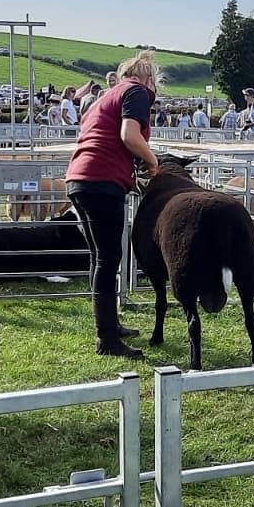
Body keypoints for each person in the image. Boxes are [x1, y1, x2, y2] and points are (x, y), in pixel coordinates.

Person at [65, 51, 162, 359]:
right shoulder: (137, 92)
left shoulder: (105, 97)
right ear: (149, 79)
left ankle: (109, 325)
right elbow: (129, 135)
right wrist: (152, 160)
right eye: (155, 83)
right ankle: (107, 339)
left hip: (80, 177)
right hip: (101, 181)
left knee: (100, 257)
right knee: (109, 258)